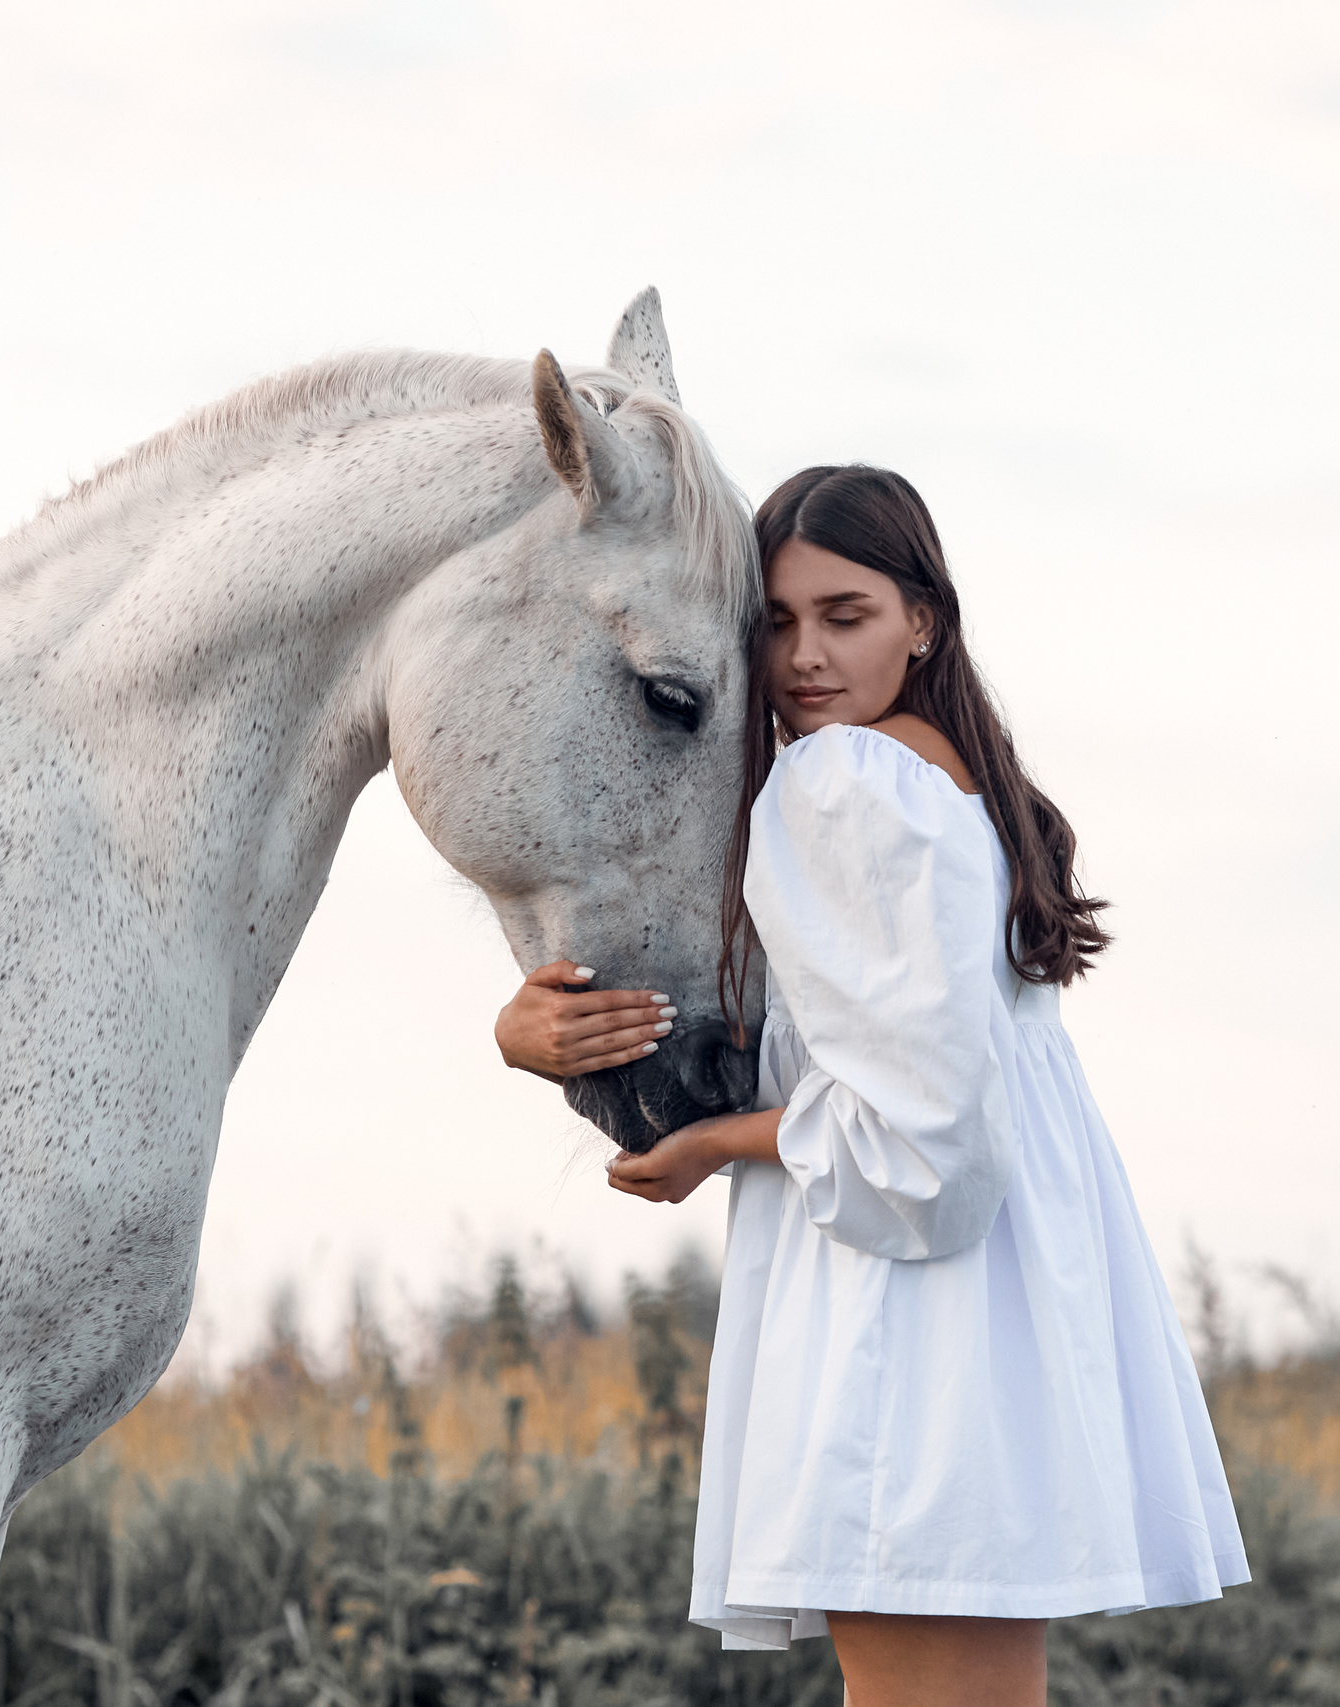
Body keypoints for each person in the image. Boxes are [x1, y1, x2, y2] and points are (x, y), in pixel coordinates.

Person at [494, 465, 1247, 1705]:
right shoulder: (948, 777)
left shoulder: (845, 786)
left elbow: (914, 1137)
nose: (803, 656)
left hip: (906, 1297)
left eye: (844, 616)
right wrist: (539, 1034)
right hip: (1000, 1288)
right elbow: (861, 1056)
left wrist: (712, 1142)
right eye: (776, 623)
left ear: (922, 621)